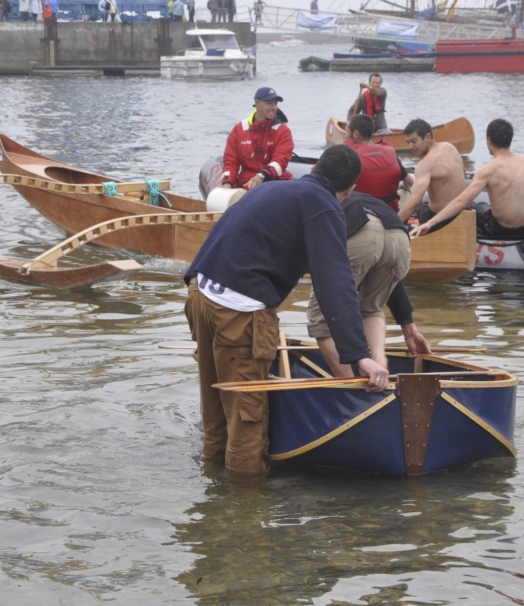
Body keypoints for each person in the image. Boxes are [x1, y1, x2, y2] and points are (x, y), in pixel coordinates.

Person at [184, 144, 390, 478]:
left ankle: (213, 497)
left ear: (312, 170)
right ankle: (244, 513)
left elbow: (219, 235)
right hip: (238, 310)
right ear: (350, 190)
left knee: (217, 412)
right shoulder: (324, 206)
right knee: (248, 420)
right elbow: (335, 285)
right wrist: (359, 355)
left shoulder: (272, 189)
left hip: (200, 293)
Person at [306, 191, 432, 377]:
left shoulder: (317, 199)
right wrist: (409, 329)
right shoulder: (368, 197)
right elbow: (393, 283)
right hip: (398, 235)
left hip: (360, 233)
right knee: (371, 307)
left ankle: (349, 387)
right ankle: (380, 364)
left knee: (321, 316)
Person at [410, 118, 524, 240]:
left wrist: (430, 223)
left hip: (503, 230)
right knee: (484, 207)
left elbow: (462, 202)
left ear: (489, 141)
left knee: (478, 208)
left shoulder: (488, 171)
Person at [396, 118, 467, 228]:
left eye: (414, 141)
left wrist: (393, 224)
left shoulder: (424, 165)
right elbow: (463, 173)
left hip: (440, 219)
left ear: (428, 137)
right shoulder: (450, 147)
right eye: (408, 142)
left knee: (419, 207)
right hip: (463, 211)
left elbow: (414, 202)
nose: (410, 147)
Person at [219, 86, 295, 190]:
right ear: (257, 103)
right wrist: (227, 182)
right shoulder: (239, 129)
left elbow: (281, 159)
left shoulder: (283, 131)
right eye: (269, 103)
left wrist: (262, 176)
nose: (273, 107)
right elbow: (231, 161)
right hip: (246, 184)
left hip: (275, 183)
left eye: (275, 104)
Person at [344, 114, 413, 211]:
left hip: (362, 215)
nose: (345, 136)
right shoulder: (390, 151)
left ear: (355, 134)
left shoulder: (350, 155)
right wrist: (402, 186)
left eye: (347, 132)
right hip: (391, 212)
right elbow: (409, 182)